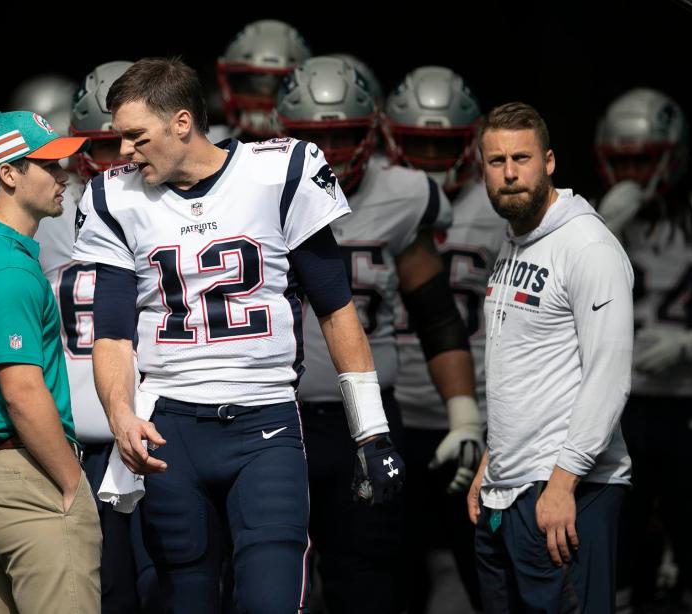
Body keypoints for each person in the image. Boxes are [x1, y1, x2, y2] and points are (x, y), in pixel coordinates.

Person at [73, 57, 405, 613]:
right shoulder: (114, 197)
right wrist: (121, 415)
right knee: (182, 599)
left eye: (136, 136)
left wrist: (370, 429)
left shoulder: (279, 171)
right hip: (168, 428)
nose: (123, 153)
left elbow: (335, 306)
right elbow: (112, 333)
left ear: (182, 123)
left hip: (265, 423)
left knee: (270, 599)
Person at [275, 56, 478, 613]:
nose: (332, 149)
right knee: (267, 574)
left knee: (367, 575)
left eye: (345, 133)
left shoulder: (404, 193)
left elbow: (435, 312)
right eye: (316, 136)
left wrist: (463, 412)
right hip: (271, 421)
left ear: (374, 130)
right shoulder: (246, 180)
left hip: (367, 425)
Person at [469, 102, 634, 614]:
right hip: (510, 487)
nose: (510, 173)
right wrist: (491, 461)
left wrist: (563, 484)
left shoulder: (587, 246)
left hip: (567, 491)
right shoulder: (517, 241)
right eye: (496, 162)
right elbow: (524, 367)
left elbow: (609, 376)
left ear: (550, 161)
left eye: (522, 157)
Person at [0, 110, 101, 613]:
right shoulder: (9, 267)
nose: (65, 176)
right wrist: (73, 484)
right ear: (8, 174)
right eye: (48, 165)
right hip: (27, 479)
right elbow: (21, 391)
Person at [37, 59, 160, 613]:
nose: (121, 160)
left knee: (172, 579)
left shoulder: (183, 202)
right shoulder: (46, 211)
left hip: (161, 426)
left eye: (132, 140)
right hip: (78, 439)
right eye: (107, 145)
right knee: (99, 589)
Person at [385, 65, 502, 612]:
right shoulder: (373, 196)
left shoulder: (506, 203)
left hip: (481, 414)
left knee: (489, 571)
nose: (432, 161)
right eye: (418, 145)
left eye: (445, 145)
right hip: (394, 415)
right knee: (395, 572)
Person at [594, 88, 692, 608]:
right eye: (623, 160)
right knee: (616, 546)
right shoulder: (590, 219)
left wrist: (687, 346)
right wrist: (599, 229)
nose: (631, 173)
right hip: (620, 407)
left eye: (644, 159)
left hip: (686, 402)